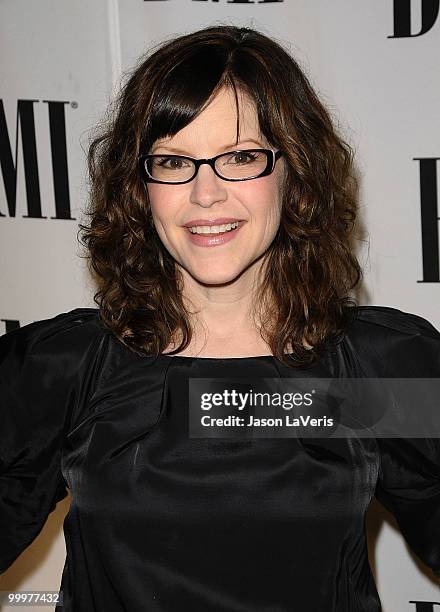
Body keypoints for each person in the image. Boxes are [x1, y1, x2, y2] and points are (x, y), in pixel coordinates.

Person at [0, 24, 439, 612]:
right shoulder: (66, 370)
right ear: (139, 186)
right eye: (174, 162)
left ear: (294, 173)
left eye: (241, 157)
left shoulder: (376, 368)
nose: (205, 194)